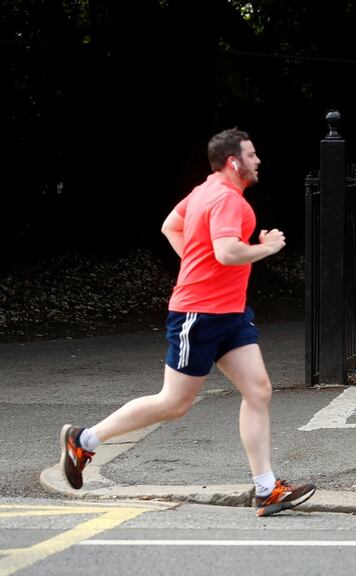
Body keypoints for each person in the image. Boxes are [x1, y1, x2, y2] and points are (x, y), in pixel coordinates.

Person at [59, 128, 316, 516]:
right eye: (252, 154)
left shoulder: (202, 192)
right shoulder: (229, 200)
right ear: (234, 162)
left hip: (230, 314)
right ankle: (85, 439)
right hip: (199, 315)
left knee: (259, 390)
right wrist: (267, 247)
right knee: (174, 403)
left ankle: (266, 489)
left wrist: (196, 263)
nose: (258, 160)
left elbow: (170, 226)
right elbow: (228, 252)